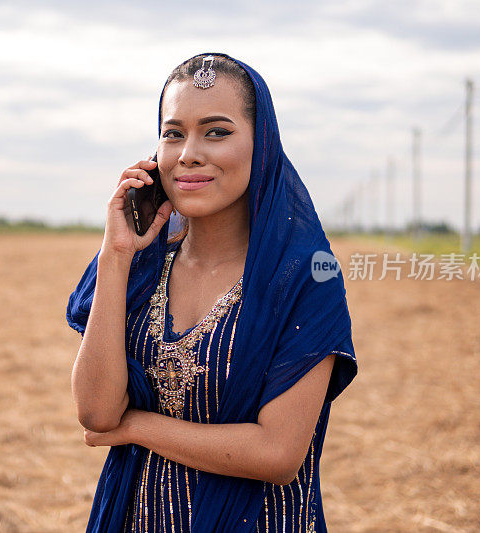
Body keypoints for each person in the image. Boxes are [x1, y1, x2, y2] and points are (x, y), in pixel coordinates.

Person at [66, 52, 358, 533]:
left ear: (261, 145)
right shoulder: (140, 268)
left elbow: (279, 453)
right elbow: (97, 412)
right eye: (173, 133)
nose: (188, 153)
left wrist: (137, 426)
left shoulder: (308, 276)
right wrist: (115, 257)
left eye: (216, 132)